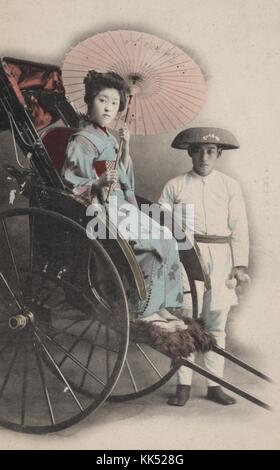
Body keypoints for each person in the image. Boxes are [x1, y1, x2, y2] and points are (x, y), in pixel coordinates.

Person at [61, 70, 185, 324]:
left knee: (168, 239)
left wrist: (125, 147)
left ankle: (161, 304)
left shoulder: (108, 137)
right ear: (90, 100)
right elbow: (71, 183)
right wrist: (98, 182)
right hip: (97, 208)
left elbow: (123, 175)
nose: (109, 108)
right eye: (102, 100)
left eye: (115, 103)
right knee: (154, 245)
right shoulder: (82, 141)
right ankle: (143, 308)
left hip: (116, 203)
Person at [158, 127, 249, 406]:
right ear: (190, 153)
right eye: (198, 150)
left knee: (216, 323)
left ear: (219, 153)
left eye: (210, 151)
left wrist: (240, 264)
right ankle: (183, 384)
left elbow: (239, 227)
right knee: (187, 320)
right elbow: (160, 225)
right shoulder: (176, 185)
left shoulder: (229, 185)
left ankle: (214, 384)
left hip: (221, 256)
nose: (204, 157)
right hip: (187, 256)